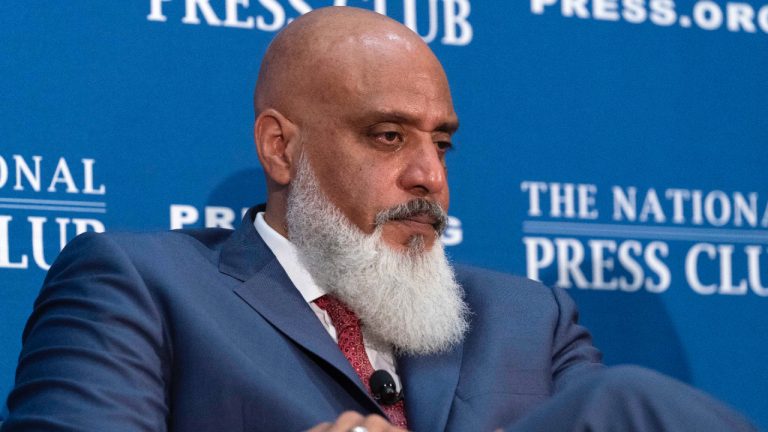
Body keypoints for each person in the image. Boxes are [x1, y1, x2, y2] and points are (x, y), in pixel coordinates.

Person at [0, 6, 756, 432]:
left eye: (442, 143)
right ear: (281, 148)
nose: (431, 176)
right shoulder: (140, 283)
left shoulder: (531, 318)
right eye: (388, 136)